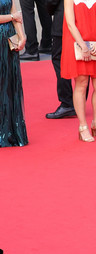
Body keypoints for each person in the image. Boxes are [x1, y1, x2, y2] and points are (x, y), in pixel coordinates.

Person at [61, 0, 96, 142]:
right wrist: (83, 46)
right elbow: (70, 23)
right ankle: (83, 127)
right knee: (81, 84)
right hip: (78, 44)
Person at [0, 0, 28, 147]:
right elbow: (14, 15)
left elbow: (16, 13)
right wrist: (12, 17)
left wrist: (21, 36)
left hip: (8, 41)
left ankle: (11, 132)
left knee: (9, 85)